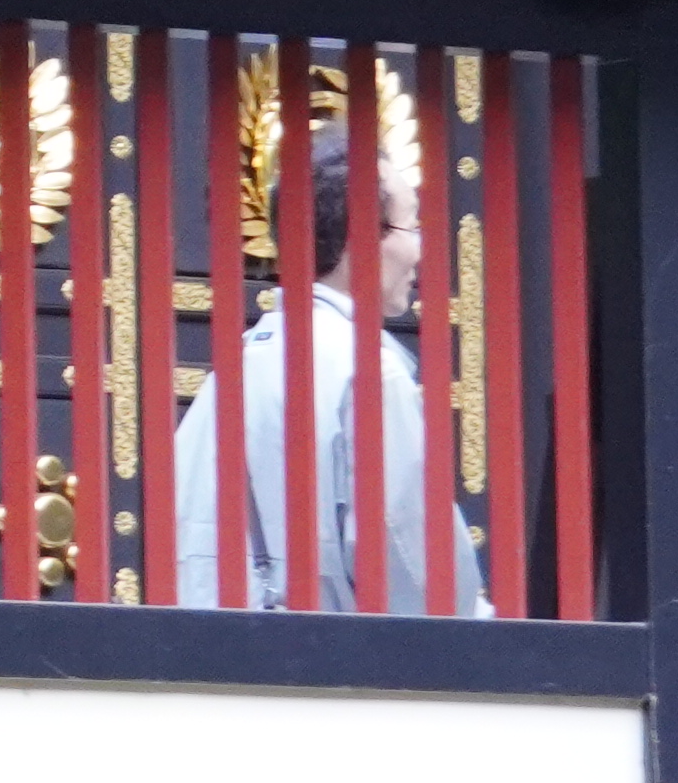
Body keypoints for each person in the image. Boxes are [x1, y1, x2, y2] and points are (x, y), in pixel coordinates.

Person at [165, 133, 486, 613]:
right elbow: (412, 559)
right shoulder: (368, 372)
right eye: (413, 226)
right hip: (343, 665)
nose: (421, 250)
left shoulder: (240, 364)